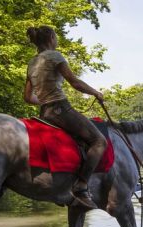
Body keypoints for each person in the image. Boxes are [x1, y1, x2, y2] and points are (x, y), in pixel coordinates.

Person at [24, 26, 106, 209]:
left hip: (44, 113)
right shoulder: (55, 56)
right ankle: (82, 186)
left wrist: (44, 101)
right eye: (56, 37)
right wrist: (96, 93)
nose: (57, 40)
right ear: (52, 38)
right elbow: (74, 82)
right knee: (99, 141)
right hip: (61, 110)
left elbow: (28, 98)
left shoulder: (31, 63)